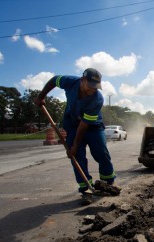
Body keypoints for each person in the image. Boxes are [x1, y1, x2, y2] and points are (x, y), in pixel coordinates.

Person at [34, 68, 117, 205]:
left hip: (93, 126)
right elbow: (54, 80)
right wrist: (42, 96)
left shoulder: (97, 99)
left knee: (101, 152)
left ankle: (108, 183)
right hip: (72, 125)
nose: (92, 90)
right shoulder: (70, 82)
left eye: (95, 87)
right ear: (82, 80)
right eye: (90, 86)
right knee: (77, 157)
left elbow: (84, 126)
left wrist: (75, 144)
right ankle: (86, 189)